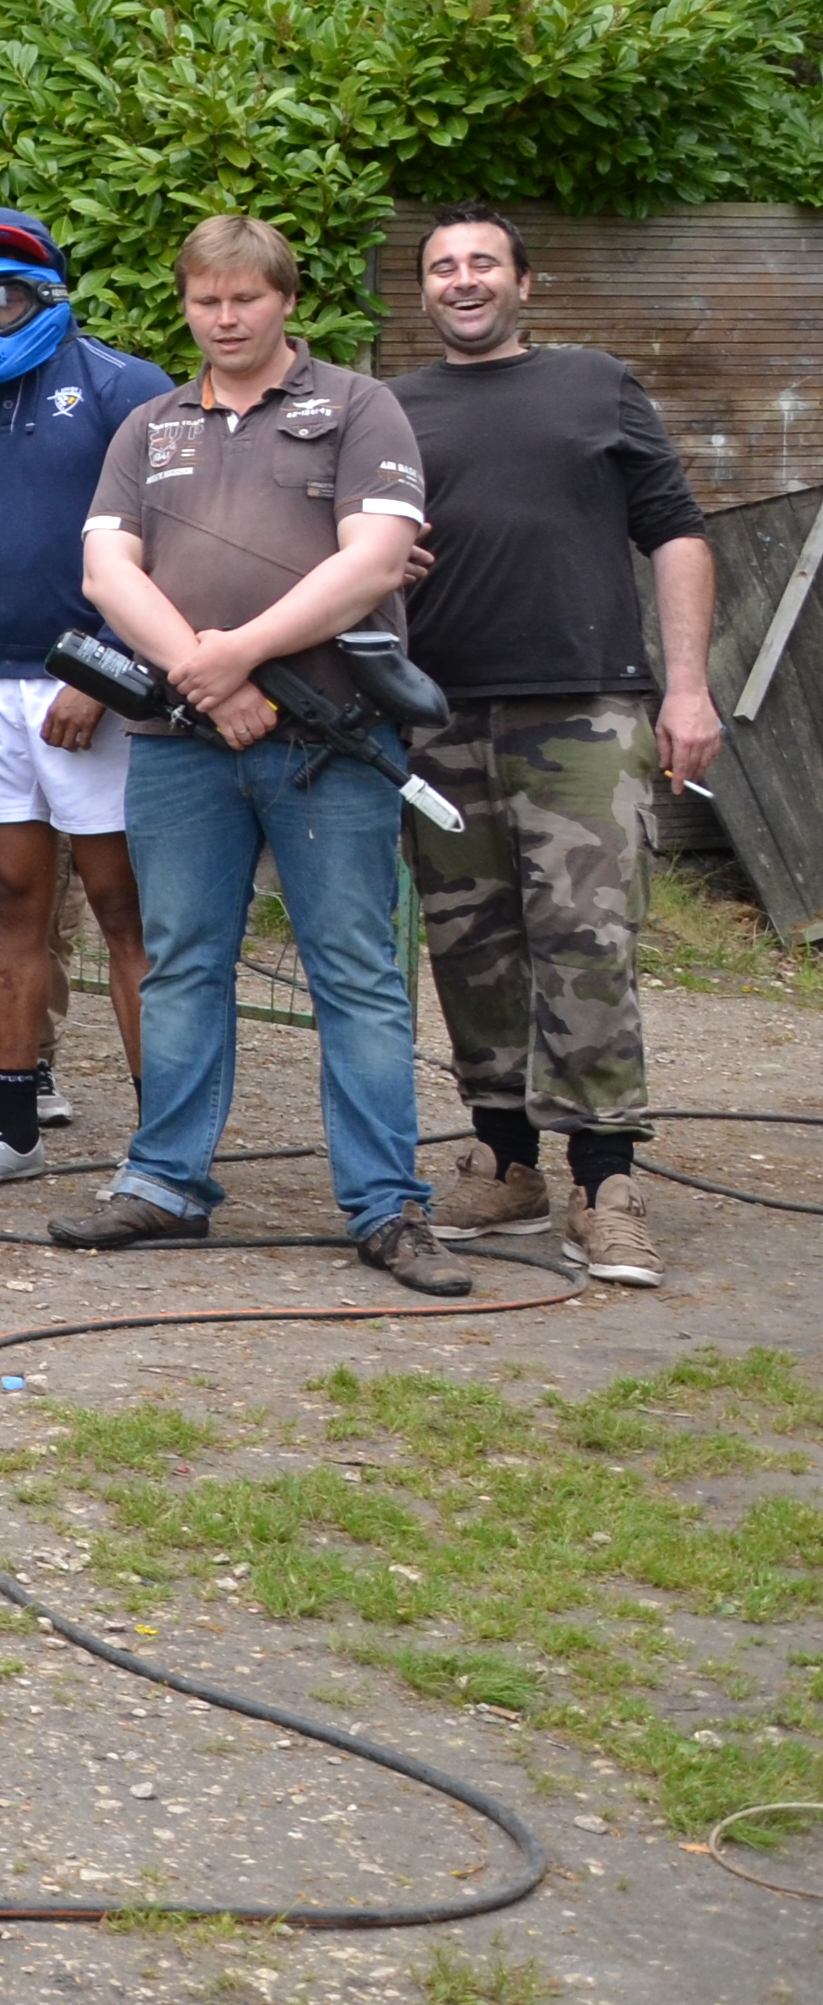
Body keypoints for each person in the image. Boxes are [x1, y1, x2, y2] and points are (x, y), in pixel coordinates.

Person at [57, 216, 455, 1295]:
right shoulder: (147, 426)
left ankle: (386, 1208)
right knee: (180, 962)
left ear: (285, 300)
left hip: (333, 741)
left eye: (243, 298)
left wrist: (240, 654)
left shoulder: (357, 407)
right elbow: (106, 570)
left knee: (356, 976)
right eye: (203, 300)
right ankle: (164, 1185)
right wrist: (203, 671)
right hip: (179, 747)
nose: (223, 318)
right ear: (183, 306)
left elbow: (372, 558)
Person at [390, 205, 716, 1287]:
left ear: (523, 283)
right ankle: (504, 1159)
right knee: (467, 942)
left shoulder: (596, 384)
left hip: (584, 708)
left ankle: (604, 1182)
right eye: (441, 266)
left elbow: (673, 530)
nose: (462, 279)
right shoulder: (391, 410)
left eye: (482, 261)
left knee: (586, 937)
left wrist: (687, 687)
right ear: (422, 291)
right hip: (435, 714)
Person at [0, 206, 169, 1191]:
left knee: (123, 913)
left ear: (47, 296)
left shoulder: (123, 388)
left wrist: (102, 666)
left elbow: (169, 534)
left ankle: (164, 1146)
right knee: (9, 908)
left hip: (94, 692)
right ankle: (13, 1126)